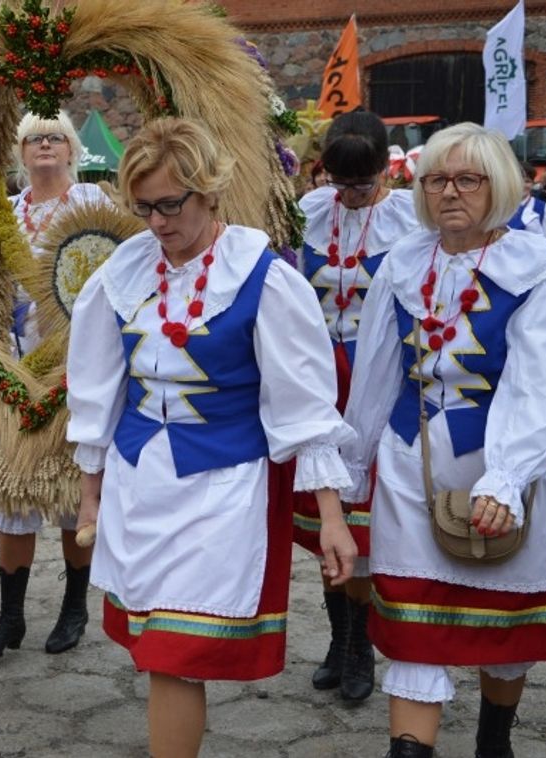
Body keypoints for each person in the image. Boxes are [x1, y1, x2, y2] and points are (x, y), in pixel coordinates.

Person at [66, 117, 358, 757]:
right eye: (143, 207)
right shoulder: (123, 272)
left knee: (176, 654)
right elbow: (95, 390)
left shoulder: (263, 275)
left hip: (224, 489)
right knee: (158, 652)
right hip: (141, 485)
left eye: (171, 205)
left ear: (210, 192)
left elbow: (304, 406)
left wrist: (332, 517)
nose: (157, 223)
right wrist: (91, 493)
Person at [340, 122, 546, 758]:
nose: (450, 192)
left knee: (502, 629)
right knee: (413, 628)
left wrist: (509, 477)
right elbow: (377, 373)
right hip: (410, 469)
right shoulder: (404, 263)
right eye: (437, 179)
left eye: (468, 179)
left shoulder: (533, 267)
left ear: (501, 186)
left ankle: (495, 741)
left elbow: (542, 382)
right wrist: (352, 465)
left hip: (501, 468)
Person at [0, 111, 112, 659]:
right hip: (13, 371)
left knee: (68, 496)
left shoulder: (93, 209)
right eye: (34, 139)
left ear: (72, 149)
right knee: (14, 493)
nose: (45, 146)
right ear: (20, 151)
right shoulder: (4, 213)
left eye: (55, 137)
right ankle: (10, 618)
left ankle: (74, 608)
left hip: (75, 370)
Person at [293, 109, 418, 702]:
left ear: (385, 169)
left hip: (374, 385)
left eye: (361, 184)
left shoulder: (406, 219)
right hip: (317, 382)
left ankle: (362, 645)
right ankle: (338, 638)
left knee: (361, 523)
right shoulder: (309, 212)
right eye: (338, 183)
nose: (348, 196)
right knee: (325, 520)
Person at [507, 161, 546, 245]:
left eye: (527, 181)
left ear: (533, 184)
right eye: (518, 180)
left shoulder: (542, 208)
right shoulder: (499, 207)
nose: (522, 185)